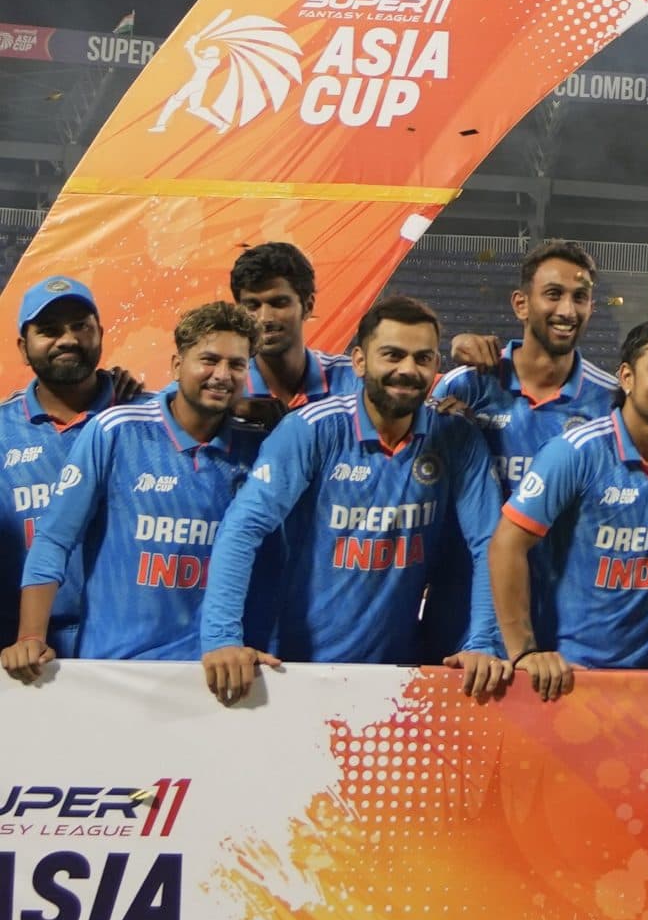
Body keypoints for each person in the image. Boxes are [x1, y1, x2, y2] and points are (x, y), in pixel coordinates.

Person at [198, 297, 502, 701]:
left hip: (398, 678)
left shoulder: (457, 437)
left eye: (423, 358)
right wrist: (221, 638)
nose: (408, 370)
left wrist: (484, 642)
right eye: (392, 355)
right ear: (359, 361)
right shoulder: (312, 431)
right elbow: (243, 528)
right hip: (292, 674)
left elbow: (490, 544)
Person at [460, 319, 648, 701]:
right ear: (627, 377)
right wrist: (525, 651)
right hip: (570, 681)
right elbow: (505, 545)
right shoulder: (575, 452)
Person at [4, 302, 260, 678]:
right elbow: (54, 538)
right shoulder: (116, 429)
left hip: (210, 671)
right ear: (176, 365)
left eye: (237, 365)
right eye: (208, 360)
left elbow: (268, 562)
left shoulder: (258, 449)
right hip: (112, 671)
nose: (221, 375)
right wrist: (30, 636)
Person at [431, 239, 622, 499]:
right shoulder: (466, 385)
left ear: (590, 308)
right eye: (553, 294)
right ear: (521, 305)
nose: (567, 311)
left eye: (579, 297)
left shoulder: (611, 400)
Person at [2, 276, 139, 619]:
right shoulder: (3, 430)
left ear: (100, 333)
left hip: (127, 651)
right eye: (49, 330)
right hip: (23, 649)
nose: (68, 339)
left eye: (80, 326)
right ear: (22, 347)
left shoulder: (144, 418)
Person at [229, 242, 358, 415]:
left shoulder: (355, 381)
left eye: (279, 303)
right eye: (252, 305)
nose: (265, 318)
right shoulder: (220, 386)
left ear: (308, 306)